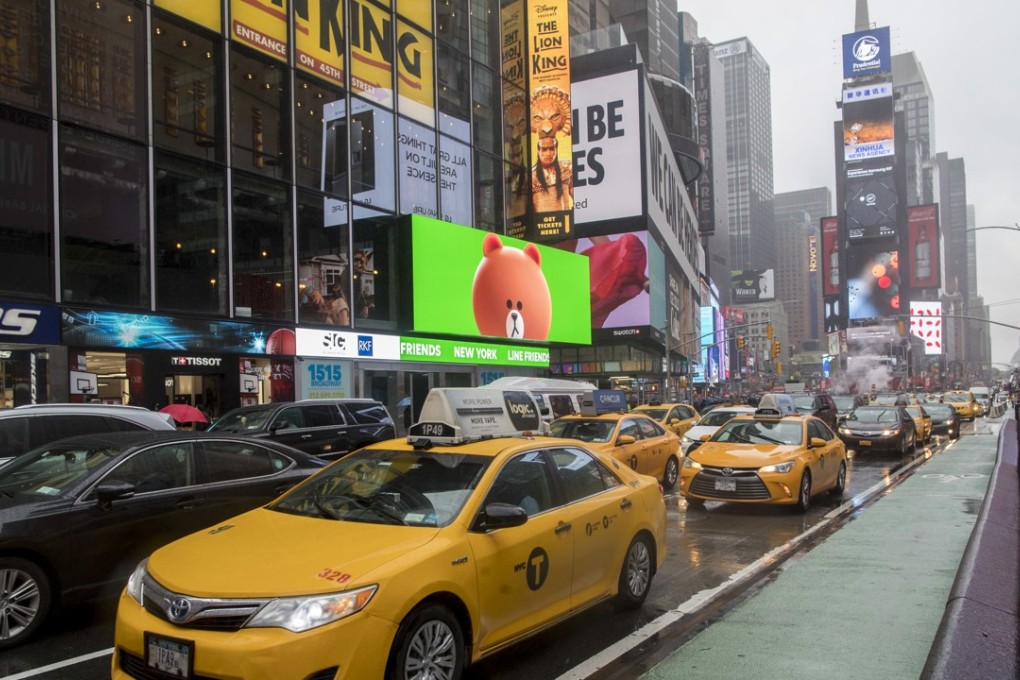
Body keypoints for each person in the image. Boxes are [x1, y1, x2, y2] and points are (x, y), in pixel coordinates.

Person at [531, 135, 572, 213]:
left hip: (565, 221)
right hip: (542, 223)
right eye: (544, 149)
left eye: (552, 149)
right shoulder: (531, 176)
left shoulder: (567, 168)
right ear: (538, 151)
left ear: (556, 150)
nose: (548, 153)